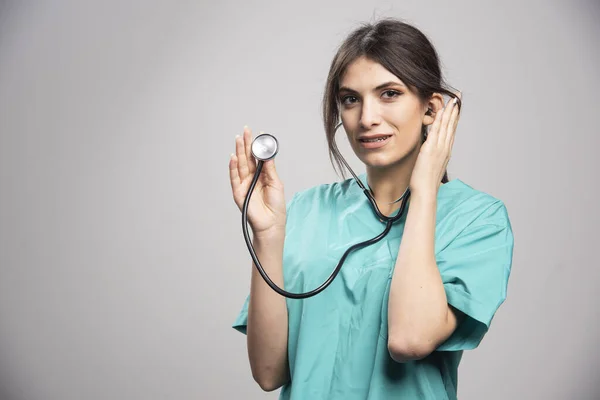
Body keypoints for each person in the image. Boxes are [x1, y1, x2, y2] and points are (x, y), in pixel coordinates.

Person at [228, 17, 514, 400]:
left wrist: (425, 188)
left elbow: (410, 340)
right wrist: (266, 236)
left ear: (431, 109)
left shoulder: (478, 219)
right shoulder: (307, 208)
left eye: (389, 93)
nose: (367, 118)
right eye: (351, 99)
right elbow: (267, 372)